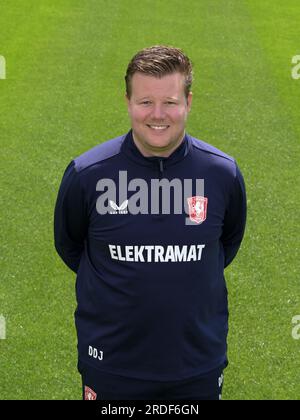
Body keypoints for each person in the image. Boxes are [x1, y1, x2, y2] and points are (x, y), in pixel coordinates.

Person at [54, 45, 247, 400]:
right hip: (112, 364)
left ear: (189, 102)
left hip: (197, 364)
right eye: (145, 102)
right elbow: (70, 246)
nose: (158, 115)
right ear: (127, 101)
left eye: (170, 102)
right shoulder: (87, 174)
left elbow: (225, 244)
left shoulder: (222, 174)